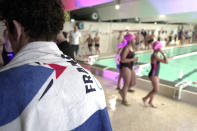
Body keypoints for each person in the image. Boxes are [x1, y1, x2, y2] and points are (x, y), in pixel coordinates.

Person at [0, 0, 112, 131]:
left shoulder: (4, 86)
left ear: (17, 28)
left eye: (7, 29)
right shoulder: (92, 81)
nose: (5, 36)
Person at [142, 41, 168, 108]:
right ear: (157, 48)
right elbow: (166, 62)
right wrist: (163, 53)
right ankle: (145, 98)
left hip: (155, 74)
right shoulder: (155, 55)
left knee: (154, 89)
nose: (161, 48)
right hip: (153, 75)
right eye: (160, 47)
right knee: (156, 90)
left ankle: (150, 102)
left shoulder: (156, 54)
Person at [119, 33, 138, 106]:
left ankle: (122, 91)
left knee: (133, 82)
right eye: (134, 39)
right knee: (126, 83)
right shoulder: (126, 48)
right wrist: (133, 59)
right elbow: (122, 60)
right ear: (130, 40)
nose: (135, 40)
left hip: (130, 66)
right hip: (125, 66)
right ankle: (124, 99)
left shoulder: (131, 47)